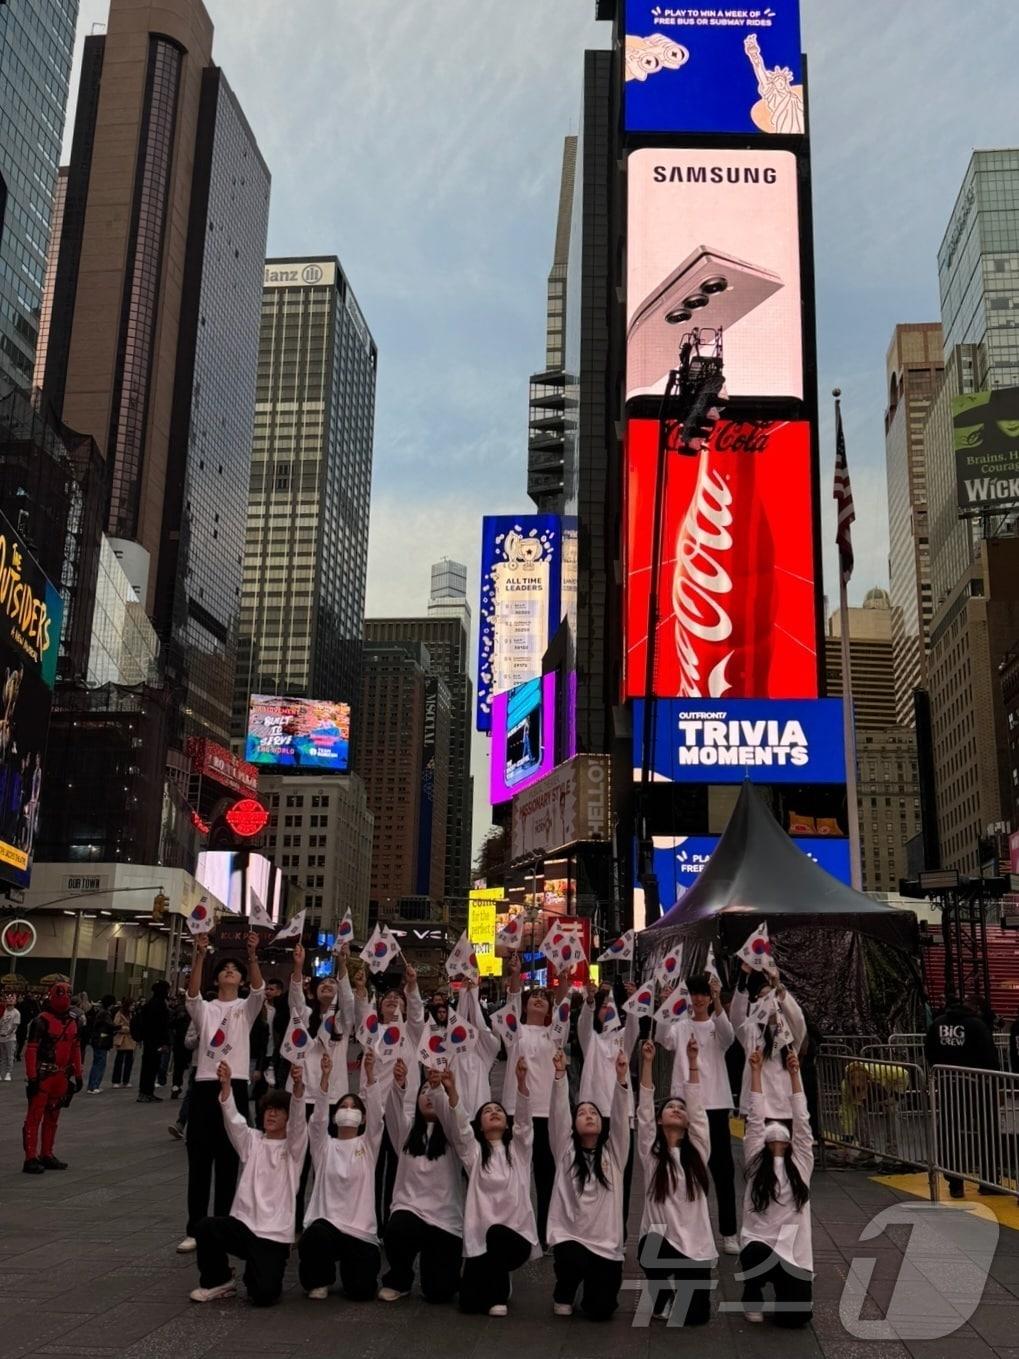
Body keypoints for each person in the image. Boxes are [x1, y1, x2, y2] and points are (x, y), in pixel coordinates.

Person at [190, 1060, 308, 1306]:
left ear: (288, 1116)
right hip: (244, 1226)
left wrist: (297, 1089)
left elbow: (299, 1122)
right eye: (268, 1110)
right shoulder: (252, 1141)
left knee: (263, 1295)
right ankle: (219, 1281)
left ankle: (257, 1270)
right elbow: (234, 1121)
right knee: (205, 1227)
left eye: (278, 1110)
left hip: (272, 1235)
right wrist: (225, 1086)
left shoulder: (294, 1148)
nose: (271, 1114)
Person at [178, 930, 265, 1255]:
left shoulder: (246, 1008)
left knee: (229, 1162)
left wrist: (252, 956)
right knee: (199, 1162)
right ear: (217, 978)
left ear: (241, 979)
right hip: (204, 1087)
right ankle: (196, 1228)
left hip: (237, 1087)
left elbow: (258, 989)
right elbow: (192, 995)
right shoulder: (206, 1009)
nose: (230, 970)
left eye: (235, 969)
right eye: (224, 968)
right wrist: (200, 954)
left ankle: (223, 1226)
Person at [432, 1057, 538, 1317]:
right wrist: (452, 1090)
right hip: (481, 1242)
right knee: (468, 1305)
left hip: (515, 1237)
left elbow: (525, 1124)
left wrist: (522, 1083)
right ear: (479, 1124)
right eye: (488, 1111)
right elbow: (460, 1128)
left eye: (499, 1110)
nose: (494, 1112)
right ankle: (496, 1282)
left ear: (506, 1123)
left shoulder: (519, 1151)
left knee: (497, 1237)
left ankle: (500, 1292)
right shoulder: (474, 1154)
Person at [657, 972, 738, 1253]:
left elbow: (730, 1036)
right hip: (685, 1105)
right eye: (695, 994)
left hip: (715, 1104)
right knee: (686, 1168)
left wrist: (718, 999)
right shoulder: (680, 1028)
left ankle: (728, 1232)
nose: (699, 998)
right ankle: (686, 1228)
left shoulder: (718, 1027)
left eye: (703, 993)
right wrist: (665, 1004)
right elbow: (662, 1038)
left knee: (723, 1169)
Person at [547, 1045, 630, 1320]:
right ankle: (565, 1289)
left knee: (601, 1310)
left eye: (593, 1112)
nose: (589, 1115)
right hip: (571, 1237)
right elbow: (557, 1115)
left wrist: (621, 1080)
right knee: (571, 1259)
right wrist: (560, 1076)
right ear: (573, 1123)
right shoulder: (565, 1151)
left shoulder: (614, 1154)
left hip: (605, 1244)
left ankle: (594, 1287)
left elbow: (620, 1119)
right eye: (582, 1113)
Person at [636, 1038, 715, 1325]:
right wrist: (647, 1063)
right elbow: (644, 1111)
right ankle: (662, 1295)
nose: (677, 1109)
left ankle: (682, 1290)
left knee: (695, 1318)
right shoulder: (651, 1153)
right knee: (648, 1249)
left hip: (695, 1246)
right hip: (661, 1241)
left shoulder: (698, 1153)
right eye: (670, 1107)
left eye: (680, 1109)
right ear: (660, 1120)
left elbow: (697, 1109)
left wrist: (693, 1063)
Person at [297, 1048, 385, 1300]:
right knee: (315, 1236)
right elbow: (317, 1122)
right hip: (327, 1225)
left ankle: (351, 1270)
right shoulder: (324, 1147)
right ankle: (319, 1278)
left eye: (354, 1106)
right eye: (343, 1106)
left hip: (360, 1232)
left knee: (361, 1291)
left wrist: (370, 1076)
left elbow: (378, 1117)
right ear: (335, 1116)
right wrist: (324, 1082)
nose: (348, 1110)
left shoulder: (368, 1146)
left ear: (362, 1117)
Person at [378, 1056, 464, 1304]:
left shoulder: (453, 1136)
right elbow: (393, 1112)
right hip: (410, 1210)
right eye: (424, 1091)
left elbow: (461, 1126)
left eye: (433, 1093)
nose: (428, 1096)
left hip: (445, 1219)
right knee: (396, 1229)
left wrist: (445, 1089)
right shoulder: (405, 1132)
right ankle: (399, 1279)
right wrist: (399, 1083)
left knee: (440, 1293)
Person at [739, 1048, 813, 1326]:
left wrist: (795, 1076)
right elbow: (756, 1119)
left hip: (793, 1251)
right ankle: (752, 1291)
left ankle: (786, 1289)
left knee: (795, 1320)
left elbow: (802, 1121)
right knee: (755, 1254)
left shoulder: (801, 1164)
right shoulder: (756, 1163)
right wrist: (756, 1072)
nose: (777, 1130)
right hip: (761, 1243)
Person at [504, 952, 572, 1250]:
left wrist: (564, 984)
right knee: (515, 1174)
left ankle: (546, 1234)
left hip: (546, 1111)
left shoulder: (553, 1035)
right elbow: (511, 1003)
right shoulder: (514, 1033)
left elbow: (563, 1013)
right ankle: (515, 1229)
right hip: (516, 1110)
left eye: (544, 999)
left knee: (546, 1175)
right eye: (534, 998)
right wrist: (516, 975)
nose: (539, 1001)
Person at [288, 941, 356, 1230]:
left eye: (333, 983)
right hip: (304, 1098)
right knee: (299, 1163)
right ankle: (293, 1224)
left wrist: (342, 965)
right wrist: (299, 966)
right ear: (313, 992)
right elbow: (293, 999)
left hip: (332, 1099)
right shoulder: (303, 1016)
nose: (328, 986)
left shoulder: (342, 1020)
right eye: (323, 983)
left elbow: (351, 1000)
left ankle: (325, 1219)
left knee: (327, 1164)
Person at [353, 959, 425, 1228]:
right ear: (380, 1007)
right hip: (372, 1109)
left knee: (398, 1168)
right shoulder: (371, 1032)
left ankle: (393, 1219)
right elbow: (362, 1013)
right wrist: (360, 990)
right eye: (388, 1000)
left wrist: (413, 985)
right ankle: (370, 1220)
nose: (393, 1002)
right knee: (370, 1167)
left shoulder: (412, 1033)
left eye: (399, 1000)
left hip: (401, 1110)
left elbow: (417, 1013)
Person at [924, 996, 1000, 1199]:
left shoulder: (938, 1024)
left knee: (950, 1133)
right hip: (978, 1086)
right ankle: (989, 1181)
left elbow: (929, 1051)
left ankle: (954, 1182)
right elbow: (990, 1056)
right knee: (987, 1132)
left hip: (948, 1084)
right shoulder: (976, 1025)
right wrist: (995, 1081)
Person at [22, 979, 82, 1174]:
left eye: (66, 992)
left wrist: (78, 1073)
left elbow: (75, 1048)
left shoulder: (71, 1021)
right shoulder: (42, 1020)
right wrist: (32, 1077)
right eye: (60, 992)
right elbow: (31, 1050)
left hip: (59, 1076)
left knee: (52, 1117)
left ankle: (46, 1153)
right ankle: (31, 1156)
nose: (64, 996)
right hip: (44, 1075)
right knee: (35, 1117)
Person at [731, 964, 806, 1119]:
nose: (767, 1000)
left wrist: (778, 985)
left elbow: (798, 1017)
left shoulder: (790, 1031)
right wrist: (743, 975)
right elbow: (736, 1015)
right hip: (759, 1108)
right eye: (762, 997)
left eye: (771, 996)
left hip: (787, 1107)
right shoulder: (750, 1031)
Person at [137, 980, 171, 1103]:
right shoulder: (160, 1005)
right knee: (152, 1066)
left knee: (149, 1066)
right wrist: (165, 1041)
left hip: (149, 1040)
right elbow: (163, 1025)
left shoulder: (150, 1003)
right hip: (156, 1041)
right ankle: (146, 1092)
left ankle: (146, 1092)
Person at [86, 994, 118, 1093]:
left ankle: (92, 1085)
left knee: (97, 1063)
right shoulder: (105, 1013)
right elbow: (111, 1026)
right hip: (102, 1040)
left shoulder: (100, 1012)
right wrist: (120, 1027)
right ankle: (94, 1086)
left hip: (98, 1040)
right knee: (100, 1063)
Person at [110, 999, 137, 1088]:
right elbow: (116, 1025)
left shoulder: (132, 1014)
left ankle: (126, 1080)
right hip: (122, 1039)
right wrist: (128, 1029)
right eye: (132, 1005)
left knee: (129, 1062)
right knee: (119, 1061)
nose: (133, 1007)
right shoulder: (119, 1014)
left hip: (130, 1040)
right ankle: (116, 1081)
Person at [0, 991, 20, 1081]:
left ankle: (8, 1073)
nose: (9, 1001)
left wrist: (8, 1033)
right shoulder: (2, 1011)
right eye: (8, 999)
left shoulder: (16, 1013)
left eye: (12, 999)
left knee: (9, 1056)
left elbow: (15, 1026)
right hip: (0, 1037)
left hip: (10, 1038)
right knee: (1, 1057)